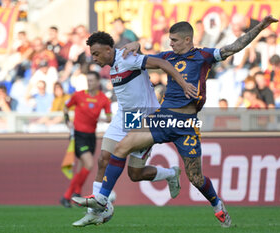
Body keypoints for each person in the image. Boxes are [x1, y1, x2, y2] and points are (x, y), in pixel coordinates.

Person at [73, 16, 278, 227]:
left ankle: (217, 204)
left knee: (196, 178)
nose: (170, 44)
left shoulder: (204, 56)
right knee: (121, 146)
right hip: (162, 118)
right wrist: (135, 44)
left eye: (174, 40)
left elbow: (233, 47)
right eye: (169, 40)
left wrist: (260, 27)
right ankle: (102, 200)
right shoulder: (168, 56)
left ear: (188, 40)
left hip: (186, 124)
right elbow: (141, 59)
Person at [71, 31, 196, 227]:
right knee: (103, 157)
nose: (94, 58)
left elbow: (163, 64)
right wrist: (136, 43)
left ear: (107, 49)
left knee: (135, 174)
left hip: (145, 118)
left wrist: (184, 84)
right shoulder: (114, 62)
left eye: (96, 53)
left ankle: (171, 174)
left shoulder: (129, 58)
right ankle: (96, 210)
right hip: (125, 116)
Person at [60, 71, 112, 208]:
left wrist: (106, 118)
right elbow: (65, 107)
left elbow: (109, 117)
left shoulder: (103, 99)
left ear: (98, 82)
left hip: (91, 137)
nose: (90, 83)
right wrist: (67, 122)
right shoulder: (78, 95)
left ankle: (73, 194)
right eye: (88, 80)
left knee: (82, 168)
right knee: (89, 164)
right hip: (79, 135)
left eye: (92, 80)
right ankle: (71, 195)